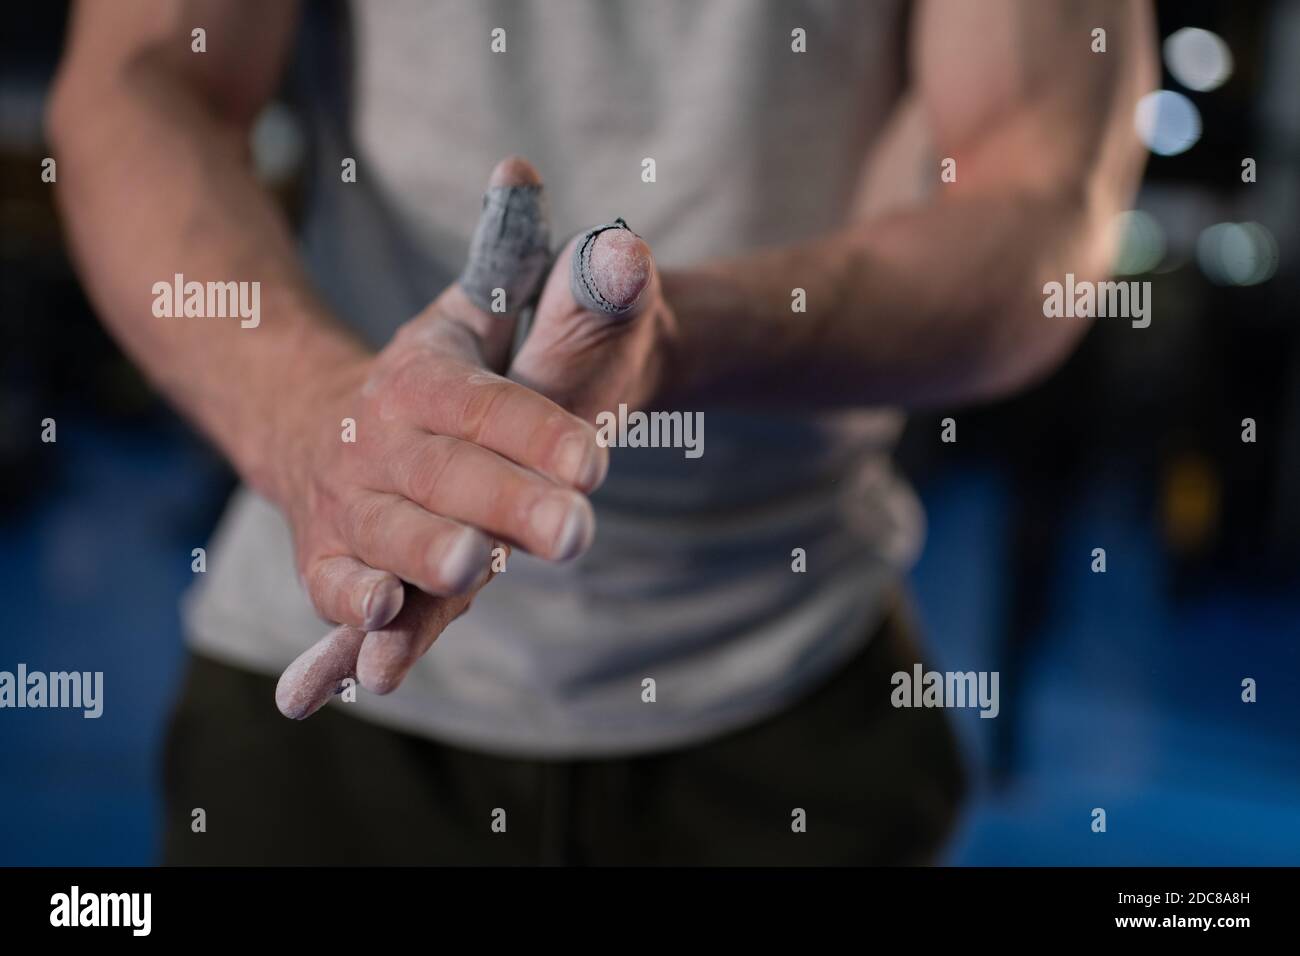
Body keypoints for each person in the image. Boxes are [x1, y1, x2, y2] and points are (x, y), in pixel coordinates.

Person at [47, 0, 1154, 864]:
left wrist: (677, 336)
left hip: (783, 702)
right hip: (325, 702)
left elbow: (1040, 195)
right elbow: (145, 82)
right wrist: (318, 420)